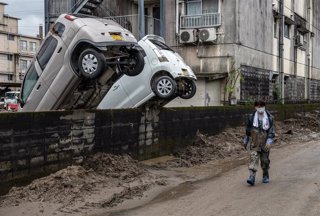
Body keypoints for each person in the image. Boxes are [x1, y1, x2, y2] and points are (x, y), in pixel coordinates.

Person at [243, 100, 275, 186]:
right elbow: (248, 130)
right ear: (255, 107)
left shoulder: (270, 118)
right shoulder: (251, 117)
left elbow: (271, 131)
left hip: (265, 143)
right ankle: (252, 177)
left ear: (264, 106)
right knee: (253, 159)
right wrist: (246, 140)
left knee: (265, 161)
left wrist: (269, 141)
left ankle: (265, 175)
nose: (260, 108)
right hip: (255, 142)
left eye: (261, 106)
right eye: (258, 106)